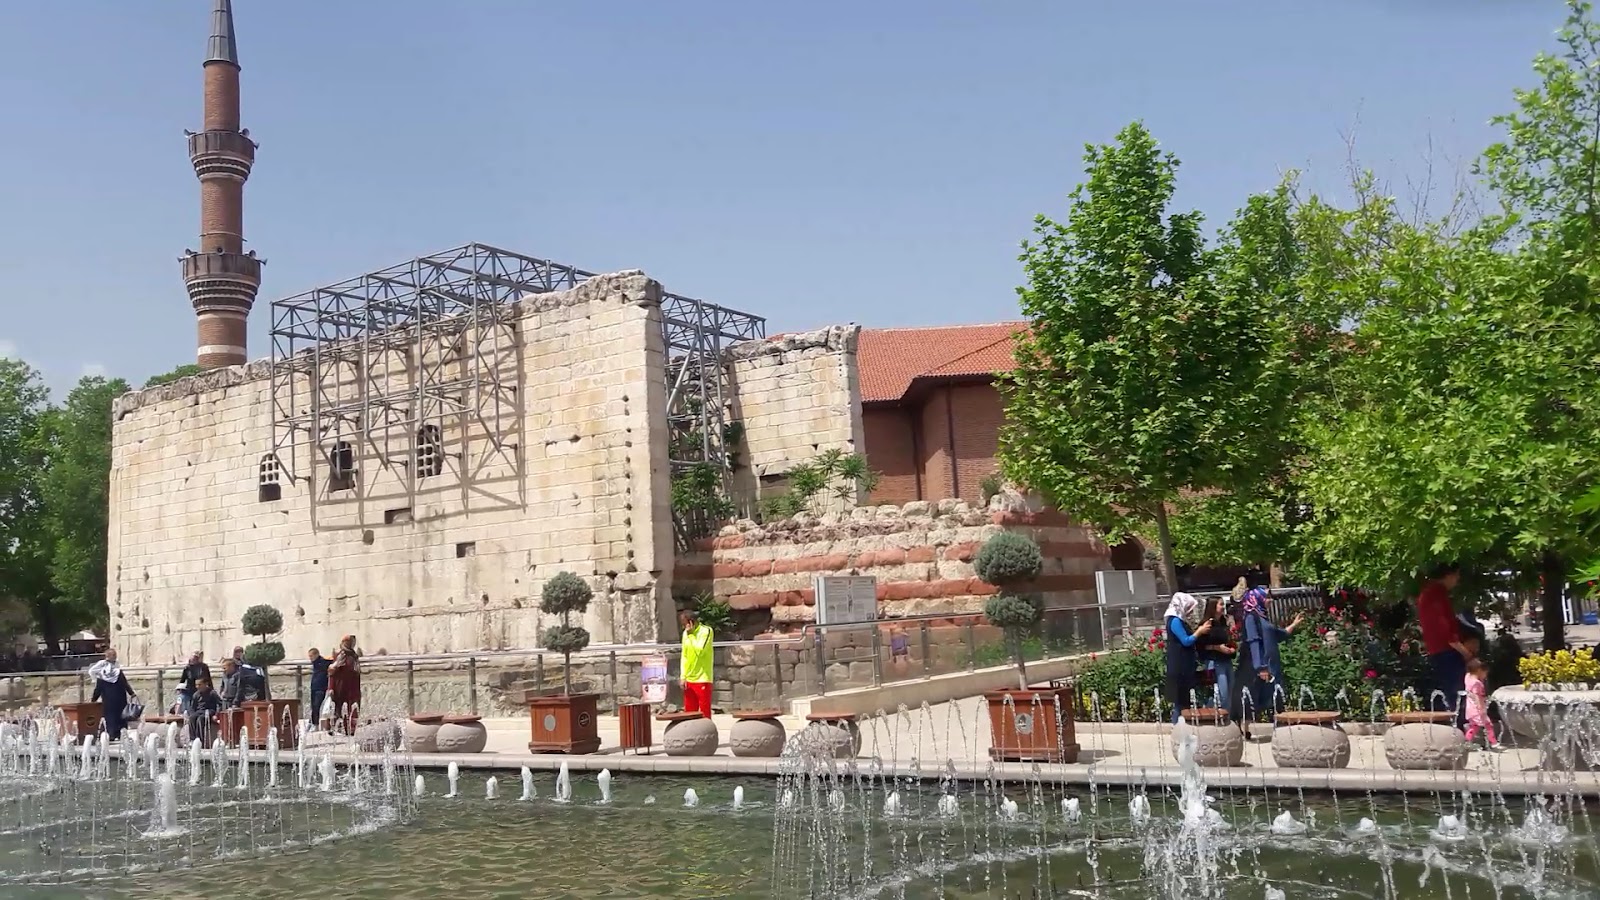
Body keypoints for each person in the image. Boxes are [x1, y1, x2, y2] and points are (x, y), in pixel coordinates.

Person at [1238, 587, 1304, 725]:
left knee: (1275, 697)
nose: (1271, 600)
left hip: (1272, 665)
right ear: (1258, 598)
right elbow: (1254, 641)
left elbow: (1278, 634)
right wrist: (1260, 667)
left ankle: (1279, 728)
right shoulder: (1251, 617)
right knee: (1256, 698)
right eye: (1267, 597)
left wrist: (1294, 624)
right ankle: (1247, 729)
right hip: (1262, 667)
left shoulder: (1263, 617)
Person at [1417, 564, 1472, 727]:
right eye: (1456, 575)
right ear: (1448, 575)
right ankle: (1459, 731)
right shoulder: (1436, 595)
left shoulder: (1428, 593)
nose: (1458, 579)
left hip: (1439, 651)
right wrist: (1466, 653)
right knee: (1457, 695)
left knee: (1450, 694)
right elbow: (1446, 630)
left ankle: (1456, 729)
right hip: (1447, 652)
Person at [1163, 592, 1213, 724]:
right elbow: (1186, 641)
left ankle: (1182, 728)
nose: (1190, 611)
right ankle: (1176, 727)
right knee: (1180, 702)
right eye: (1189, 608)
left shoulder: (1180, 621)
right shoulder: (1175, 621)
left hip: (1185, 666)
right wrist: (1199, 631)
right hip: (1179, 667)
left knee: (1185, 701)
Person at [1196, 597, 1236, 713]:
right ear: (1213, 607)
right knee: (1221, 693)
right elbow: (1200, 646)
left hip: (1226, 661)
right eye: (1221, 604)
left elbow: (1228, 640)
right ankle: (1209, 714)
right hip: (1214, 662)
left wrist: (1231, 648)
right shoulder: (1207, 624)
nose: (1223, 607)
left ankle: (1226, 716)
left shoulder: (1223, 622)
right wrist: (1217, 648)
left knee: (1230, 691)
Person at [89, 649, 138, 741]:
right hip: (120, 698)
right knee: (121, 715)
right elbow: (125, 684)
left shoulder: (102, 674)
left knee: (110, 716)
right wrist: (131, 693)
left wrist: (94, 699)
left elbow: (98, 688)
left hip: (108, 699)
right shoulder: (118, 672)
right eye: (114, 655)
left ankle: (111, 734)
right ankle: (121, 734)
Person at [679, 610, 715, 719]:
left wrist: (691, 636)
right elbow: (684, 655)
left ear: (691, 622)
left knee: (704, 712)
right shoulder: (685, 634)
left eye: (685, 624)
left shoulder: (706, 631)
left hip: (703, 677)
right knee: (689, 713)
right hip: (689, 678)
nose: (684, 627)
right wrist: (683, 676)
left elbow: (700, 651)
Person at [1463, 658, 1500, 749]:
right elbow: (1477, 696)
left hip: (1470, 708)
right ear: (1479, 670)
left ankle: (1466, 742)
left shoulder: (1468, 677)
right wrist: (1481, 708)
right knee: (1488, 725)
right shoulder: (1477, 683)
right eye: (1485, 673)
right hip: (1477, 708)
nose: (1485, 676)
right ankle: (1494, 743)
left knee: (1474, 726)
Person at [329, 636, 362, 735]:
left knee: (352, 708)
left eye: (352, 642)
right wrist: (331, 687)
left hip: (352, 687)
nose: (351, 644)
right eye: (348, 642)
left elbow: (357, 672)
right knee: (338, 708)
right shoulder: (340, 655)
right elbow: (332, 672)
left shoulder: (354, 656)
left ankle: (351, 729)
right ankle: (337, 728)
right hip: (340, 686)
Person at [187, 676, 222, 745]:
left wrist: (216, 715)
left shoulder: (212, 693)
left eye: (199, 685)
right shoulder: (196, 694)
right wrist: (191, 714)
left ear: (205, 684)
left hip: (209, 710)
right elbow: (192, 707)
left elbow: (220, 704)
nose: (197, 687)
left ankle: (201, 740)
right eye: (196, 685)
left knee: (200, 719)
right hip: (199, 711)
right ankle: (193, 739)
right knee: (192, 718)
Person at [177, 650, 210, 715]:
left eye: (195, 659)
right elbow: (182, 680)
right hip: (190, 689)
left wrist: (210, 688)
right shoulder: (187, 668)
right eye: (192, 659)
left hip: (201, 688)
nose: (193, 660)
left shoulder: (203, 667)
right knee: (189, 703)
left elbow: (208, 678)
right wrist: (179, 689)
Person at [307, 648, 331, 729]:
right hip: (314, 687)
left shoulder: (323, 662)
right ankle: (314, 723)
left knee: (317, 705)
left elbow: (331, 662)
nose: (310, 658)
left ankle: (316, 724)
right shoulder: (315, 663)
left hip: (321, 688)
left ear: (316, 654)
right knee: (313, 706)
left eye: (311, 656)